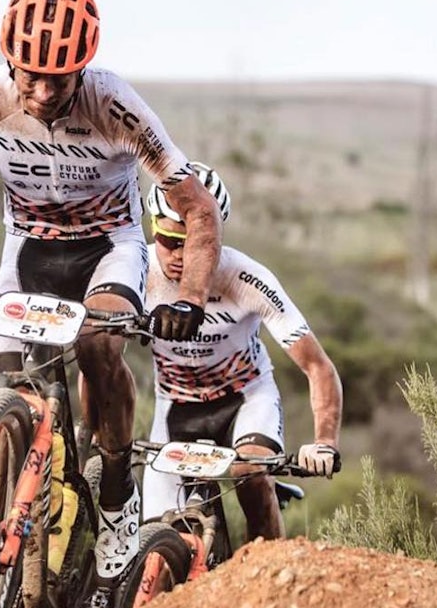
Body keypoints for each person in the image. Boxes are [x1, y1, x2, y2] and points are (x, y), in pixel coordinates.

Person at [0, 0, 224, 581]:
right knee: (0, 394)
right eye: (31, 75)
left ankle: (119, 485)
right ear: (9, 62)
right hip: (28, 250)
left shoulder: (117, 106)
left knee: (99, 344)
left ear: (85, 68)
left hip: (108, 248)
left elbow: (197, 206)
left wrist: (191, 298)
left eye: (62, 77)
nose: (44, 91)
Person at [143, 162, 343, 540]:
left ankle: (269, 570)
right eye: (168, 240)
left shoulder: (246, 277)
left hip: (245, 400)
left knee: (249, 475)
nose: (179, 256)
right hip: (174, 407)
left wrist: (325, 442)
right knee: (156, 534)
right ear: (153, 227)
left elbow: (318, 366)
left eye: (195, 244)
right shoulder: (138, 271)